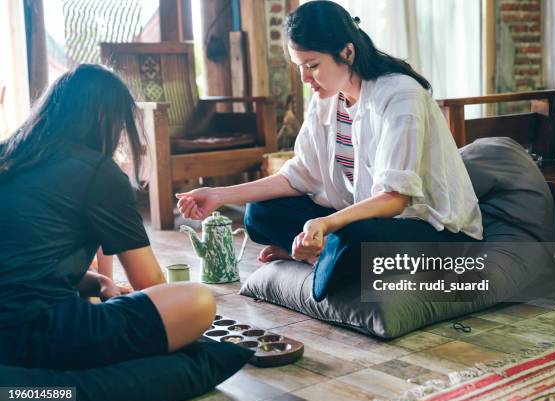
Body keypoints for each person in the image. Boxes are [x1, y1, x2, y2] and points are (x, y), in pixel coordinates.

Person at [177, 0, 483, 301]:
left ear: (347, 52)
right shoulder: (327, 99)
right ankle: (329, 257)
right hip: (362, 219)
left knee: (357, 238)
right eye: (299, 67)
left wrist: (326, 224)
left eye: (312, 66)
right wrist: (219, 196)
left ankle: (323, 256)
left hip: (428, 229)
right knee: (259, 213)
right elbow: (297, 177)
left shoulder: (400, 95)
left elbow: (395, 198)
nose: (304, 79)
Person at [0, 64, 215, 369]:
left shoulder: (10, 154)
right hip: (29, 336)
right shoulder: (97, 171)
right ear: (105, 119)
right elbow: (148, 282)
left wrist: (97, 281)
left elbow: (21, 263)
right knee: (197, 301)